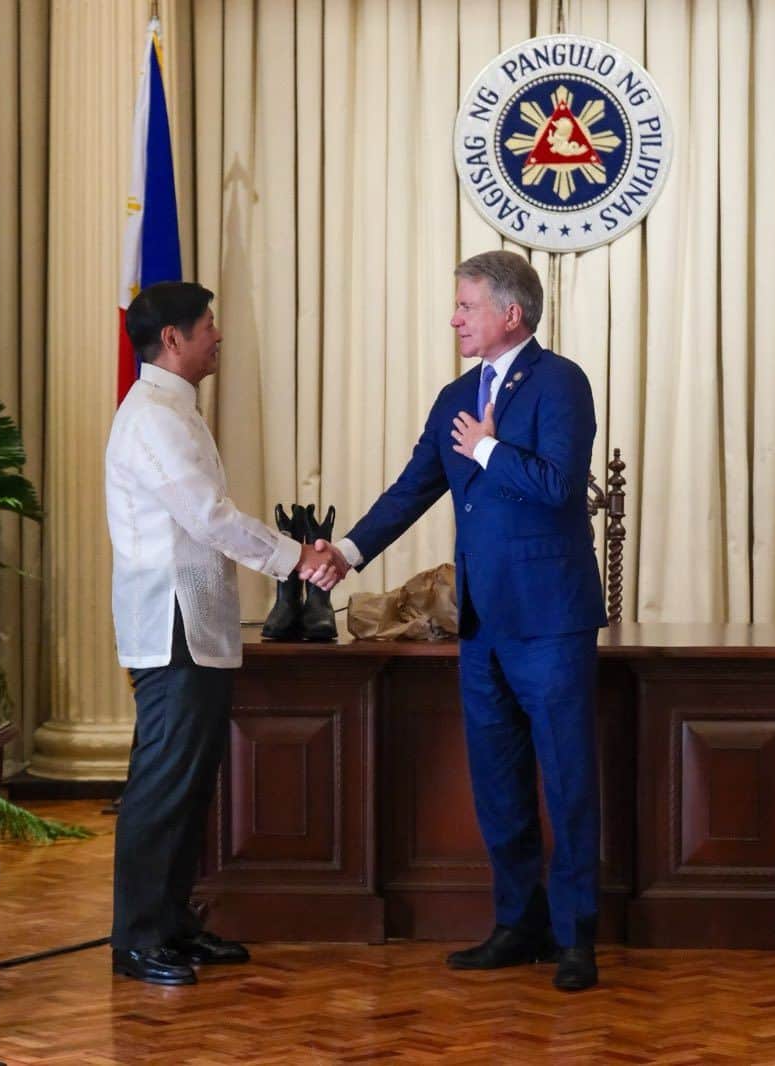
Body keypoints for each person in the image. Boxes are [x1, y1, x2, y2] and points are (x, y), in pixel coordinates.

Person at [316, 250, 607, 991]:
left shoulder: (561, 383)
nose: (454, 318)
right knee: (498, 782)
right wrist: (348, 551)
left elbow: (557, 485)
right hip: (479, 626)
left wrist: (485, 445)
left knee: (568, 782)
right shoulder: (454, 395)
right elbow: (413, 486)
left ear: (511, 313)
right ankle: (520, 923)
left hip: (550, 622)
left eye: (466, 306)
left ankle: (576, 938)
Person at [105, 281, 340, 986]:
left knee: (190, 783)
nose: (218, 335)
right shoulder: (152, 417)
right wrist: (296, 556)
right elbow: (208, 516)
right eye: (207, 325)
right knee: (162, 784)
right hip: (170, 622)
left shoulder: (176, 411)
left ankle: (172, 924)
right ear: (172, 339)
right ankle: (138, 938)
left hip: (195, 622)